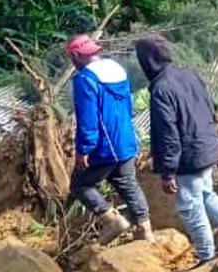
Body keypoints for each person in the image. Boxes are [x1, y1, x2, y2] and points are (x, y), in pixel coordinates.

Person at [134, 34, 218, 272]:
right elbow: (209, 109)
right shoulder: (190, 75)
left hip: (188, 157)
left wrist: (168, 171)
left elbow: (167, 133)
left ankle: (206, 256)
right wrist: (213, 142)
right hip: (206, 146)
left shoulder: (161, 89)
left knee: (190, 206)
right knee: (206, 195)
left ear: (146, 61)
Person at [65, 33, 153, 244]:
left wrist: (84, 149)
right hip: (126, 140)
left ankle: (113, 221)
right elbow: (129, 106)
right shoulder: (118, 70)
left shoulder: (85, 78)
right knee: (127, 183)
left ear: (76, 55)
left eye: (71, 58)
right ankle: (145, 231)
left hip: (104, 146)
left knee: (80, 186)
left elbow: (88, 118)